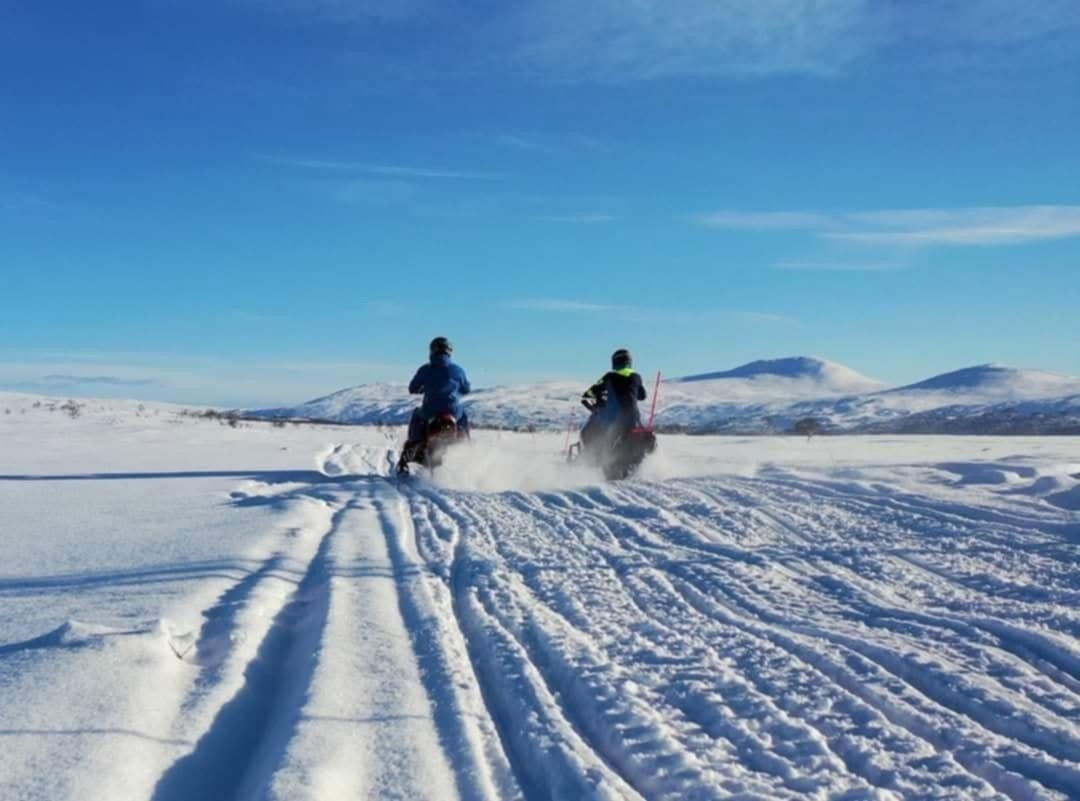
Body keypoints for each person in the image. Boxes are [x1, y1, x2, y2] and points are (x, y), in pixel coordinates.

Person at [399, 337, 471, 467]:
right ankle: (467, 445)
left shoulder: (425, 369)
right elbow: (466, 388)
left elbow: (413, 388)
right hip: (453, 412)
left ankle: (414, 443)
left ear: (432, 351)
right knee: (463, 416)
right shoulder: (458, 370)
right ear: (449, 351)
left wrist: (421, 388)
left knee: (416, 415)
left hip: (430, 411)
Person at [580, 348, 646, 446]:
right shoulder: (636, 377)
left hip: (614, 418)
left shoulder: (609, 376)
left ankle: (592, 457)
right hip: (634, 419)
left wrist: (592, 395)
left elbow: (591, 392)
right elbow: (642, 396)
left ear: (615, 362)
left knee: (586, 433)